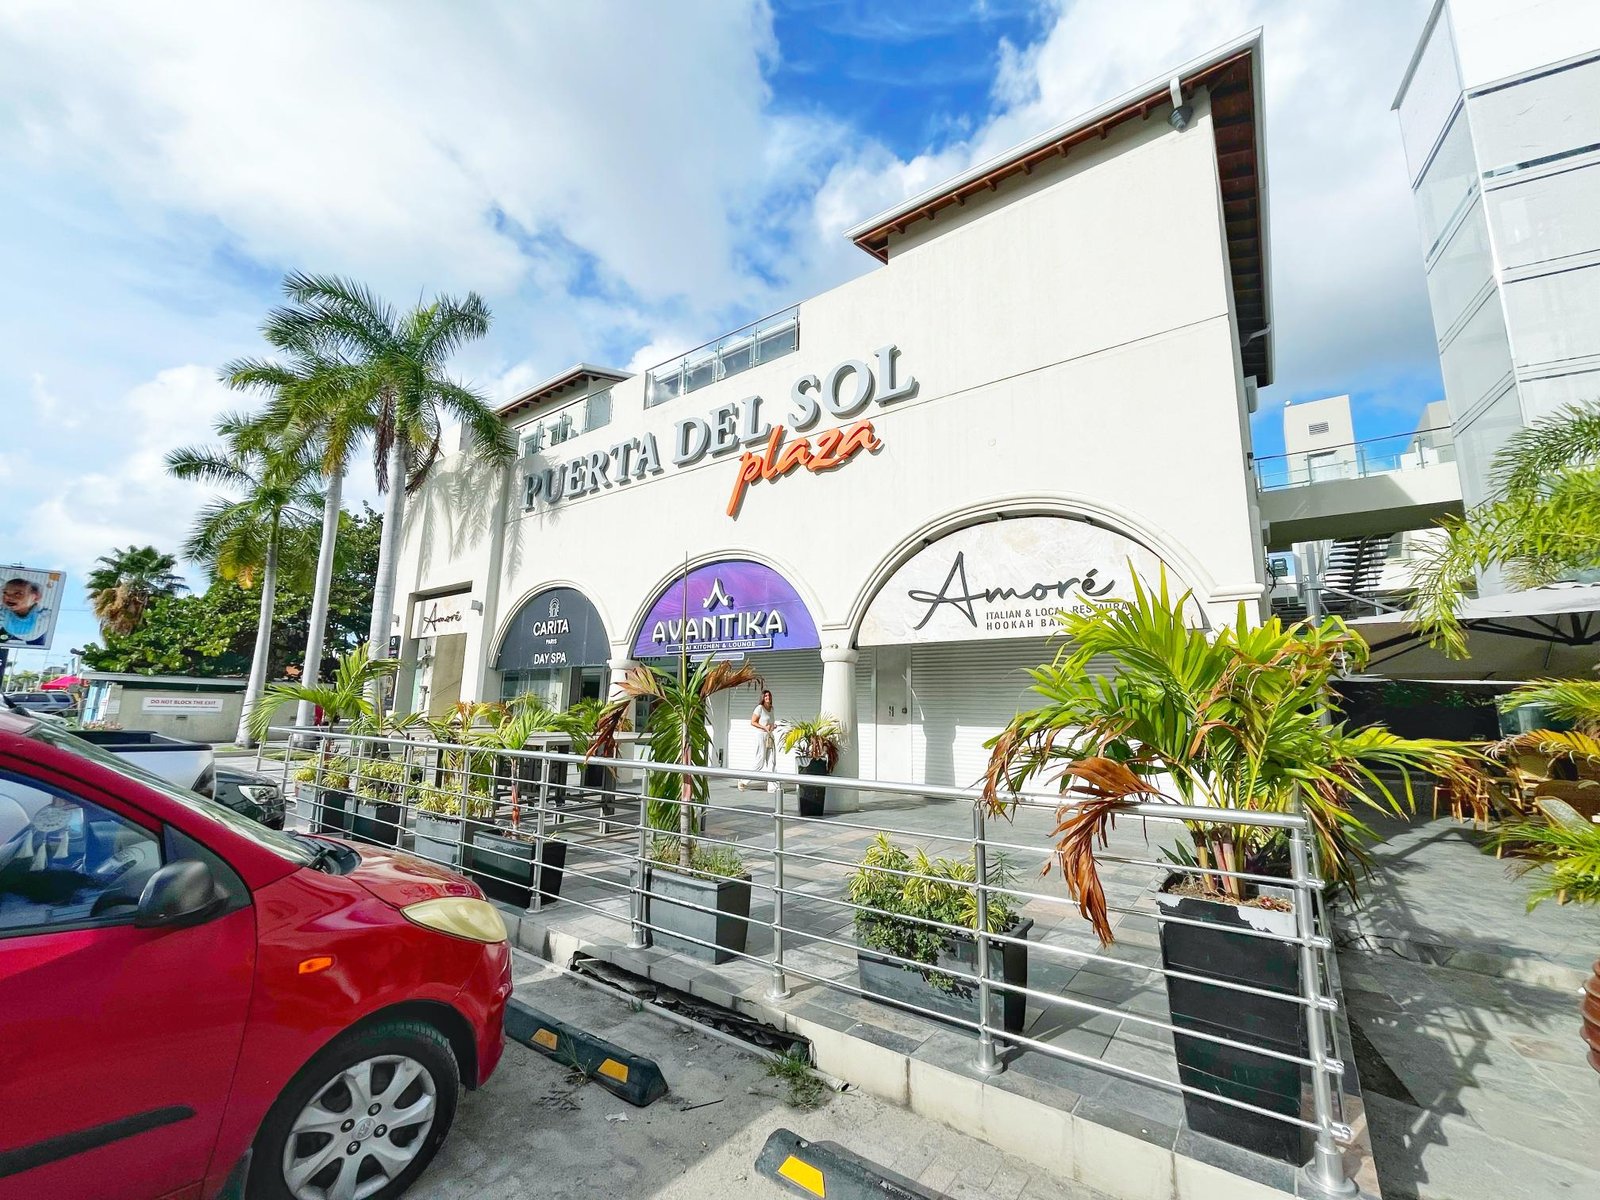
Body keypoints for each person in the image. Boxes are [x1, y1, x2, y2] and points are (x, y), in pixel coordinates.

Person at [738, 689, 778, 792]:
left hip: (770, 736)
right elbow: (753, 722)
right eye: (765, 696)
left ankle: (772, 786)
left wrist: (773, 726)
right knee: (760, 761)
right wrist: (764, 727)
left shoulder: (771, 709)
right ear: (762, 698)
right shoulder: (759, 708)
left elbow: (770, 722)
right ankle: (743, 781)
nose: (767, 698)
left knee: (772, 761)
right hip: (761, 736)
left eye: (769, 696)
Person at [1, 578, 49, 646]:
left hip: (34, 637)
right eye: (5, 592)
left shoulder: (43, 615)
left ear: (36, 598)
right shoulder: (3, 611)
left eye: (18, 593)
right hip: (9, 631)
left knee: (37, 645)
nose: (8, 597)